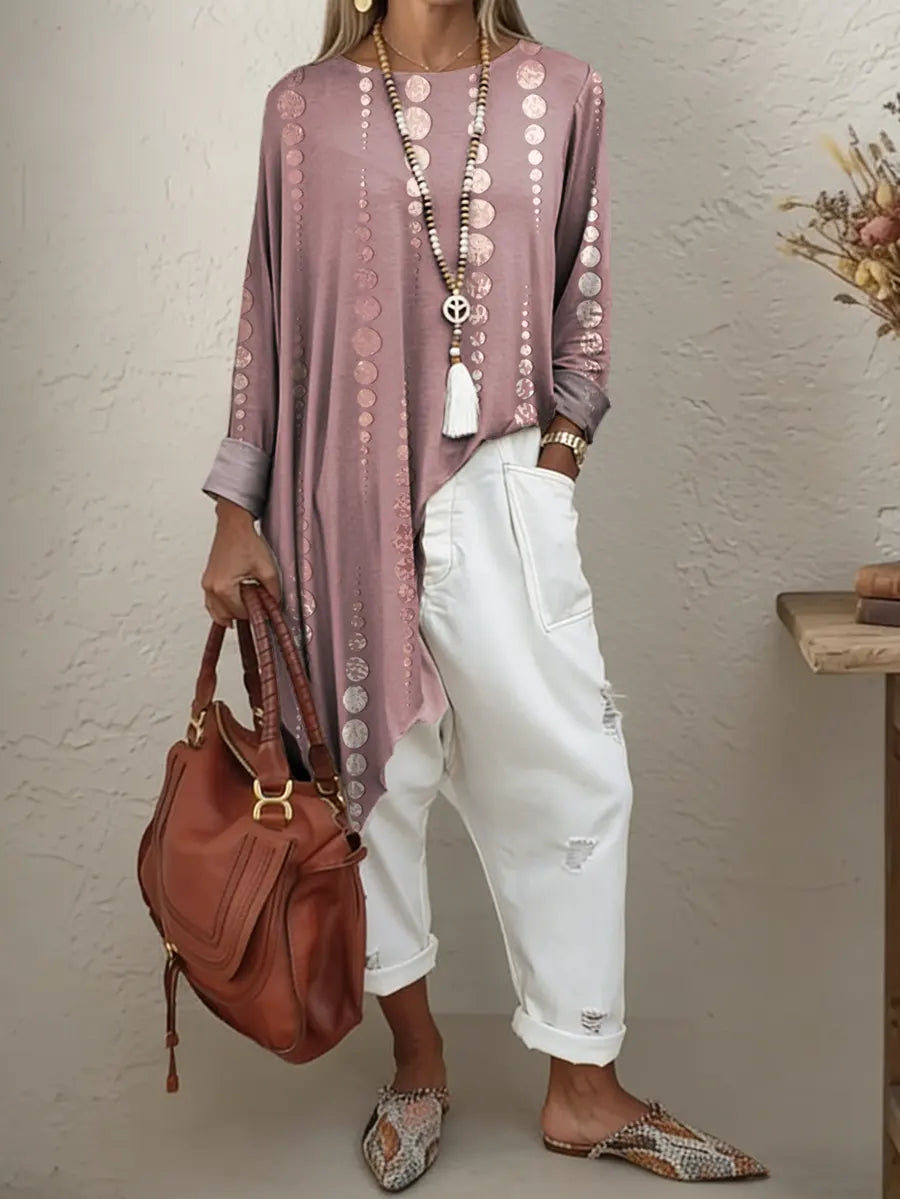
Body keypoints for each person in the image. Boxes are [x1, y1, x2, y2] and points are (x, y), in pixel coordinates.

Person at [200, 0, 768, 1190]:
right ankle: (417, 1063)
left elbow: (585, 300)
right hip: (332, 492)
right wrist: (234, 510)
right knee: (367, 790)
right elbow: (265, 315)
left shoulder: (563, 87)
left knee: (575, 777)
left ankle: (582, 1085)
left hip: (504, 482)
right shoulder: (303, 108)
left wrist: (553, 463)